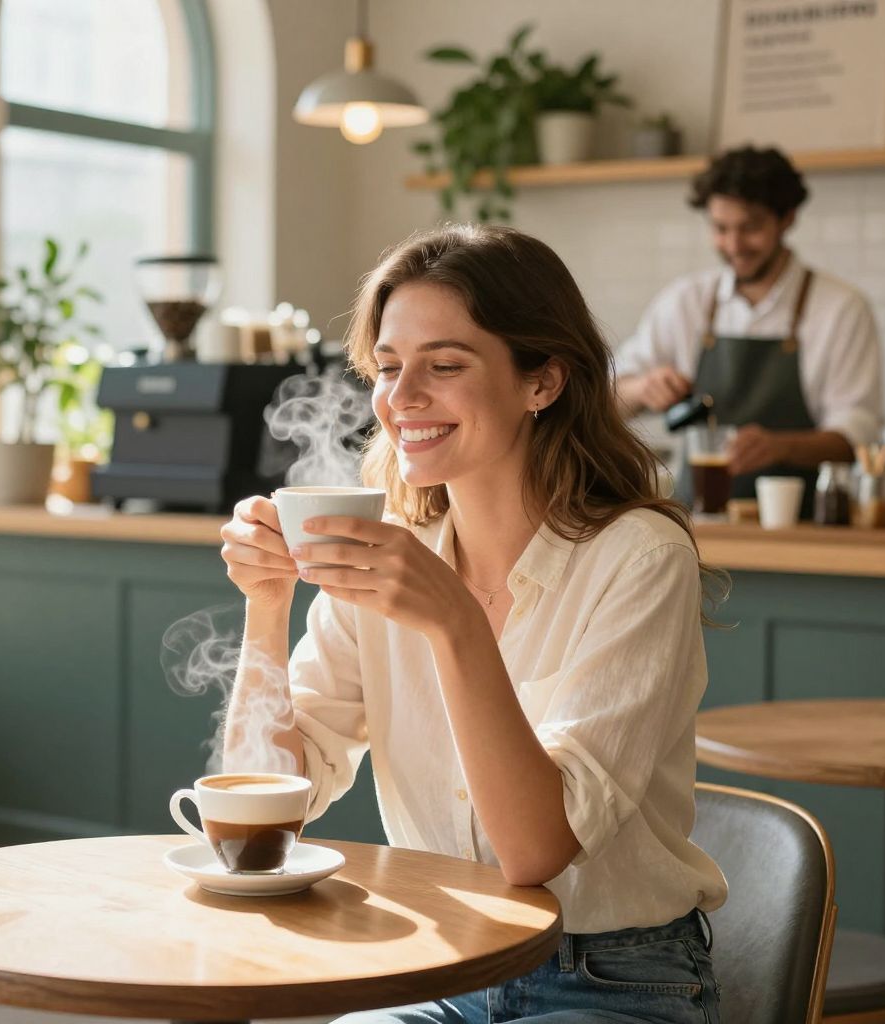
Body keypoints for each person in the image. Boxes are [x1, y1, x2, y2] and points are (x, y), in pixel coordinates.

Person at [220, 224, 728, 1024]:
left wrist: (455, 622)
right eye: (388, 368)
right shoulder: (389, 551)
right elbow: (266, 812)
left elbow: (534, 852)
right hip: (438, 964)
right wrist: (267, 603)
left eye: (445, 365)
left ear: (543, 382)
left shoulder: (640, 560)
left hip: (613, 981)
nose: (402, 396)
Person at [615, 145, 884, 504]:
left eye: (751, 227)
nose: (734, 244)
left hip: (803, 531)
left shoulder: (841, 309)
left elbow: (858, 437)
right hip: (694, 528)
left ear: (787, 218)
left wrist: (781, 446)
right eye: (721, 228)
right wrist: (641, 388)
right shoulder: (685, 302)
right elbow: (599, 402)